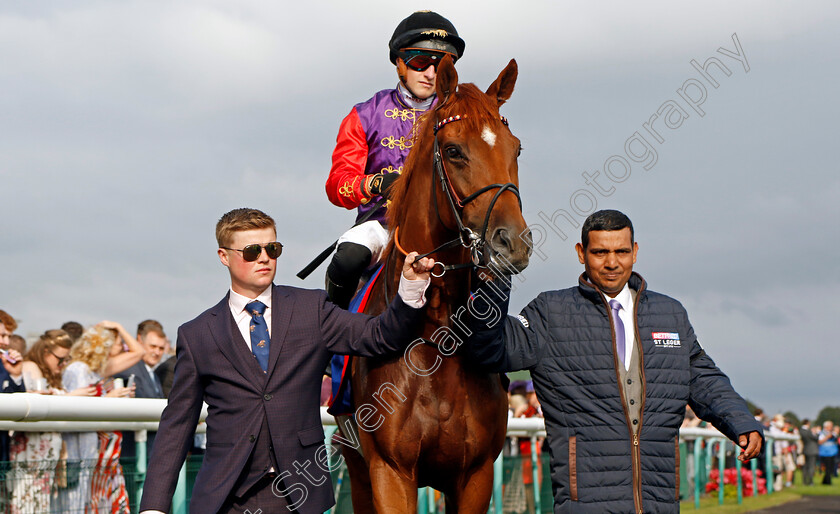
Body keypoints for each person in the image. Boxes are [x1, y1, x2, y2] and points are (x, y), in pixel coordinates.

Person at [139, 207, 434, 514]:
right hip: (223, 500)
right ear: (223, 256)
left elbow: (381, 336)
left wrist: (410, 287)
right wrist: (153, 508)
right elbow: (177, 425)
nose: (264, 257)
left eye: (272, 248)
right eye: (252, 251)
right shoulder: (197, 334)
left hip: (300, 493)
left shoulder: (313, 309)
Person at [465, 209, 763, 512]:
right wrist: (495, 280)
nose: (611, 262)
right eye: (600, 252)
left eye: (621, 251)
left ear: (635, 252)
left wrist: (740, 421)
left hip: (659, 502)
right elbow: (489, 349)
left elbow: (703, 378)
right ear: (581, 253)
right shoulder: (549, 312)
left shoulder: (670, 313)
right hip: (586, 503)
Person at [324, 10, 465, 308]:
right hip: (381, 225)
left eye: (441, 65)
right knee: (348, 259)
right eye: (419, 62)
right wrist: (375, 183)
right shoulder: (363, 114)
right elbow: (337, 187)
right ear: (399, 62)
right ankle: (333, 332)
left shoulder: (460, 117)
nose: (430, 73)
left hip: (445, 229)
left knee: (496, 269)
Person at [54, 322, 141, 513]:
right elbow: (77, 407)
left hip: (102, 452)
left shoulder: (95, 371)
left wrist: (118, 327)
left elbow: (137, 352)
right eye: (118, 343)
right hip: (86, 452)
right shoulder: (78, 369)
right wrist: (107, 398)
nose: (122, 348)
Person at [8, 330, 95, 514]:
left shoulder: (52, 373)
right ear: (46, 352)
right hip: (32, 451)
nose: (63, 364)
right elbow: (37, 403)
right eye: (60, 359)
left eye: (66, 360)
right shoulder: (30, 366)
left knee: (40, 503)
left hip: (45, 454)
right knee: (27, 501)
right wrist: (73, 395)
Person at [818, 421, 838, 485]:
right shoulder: (822, 433)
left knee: (831, 468)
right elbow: (820, 442)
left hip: (832, 452)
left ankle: (825, 481)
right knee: (828, 468)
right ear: (826, 427)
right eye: (830, 426)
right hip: (825, 453)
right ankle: (828, 482)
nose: (832, 428)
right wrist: (827, 437)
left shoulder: (832, 433)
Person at [800, 419, 819, 485]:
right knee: (811, 466)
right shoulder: (808, 431)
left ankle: (804, 481)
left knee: (805, 466)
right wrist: (816, 432)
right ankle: (810, 481)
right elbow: (816, 438)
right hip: (812, 450)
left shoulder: (801, 431)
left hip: (806, 449)